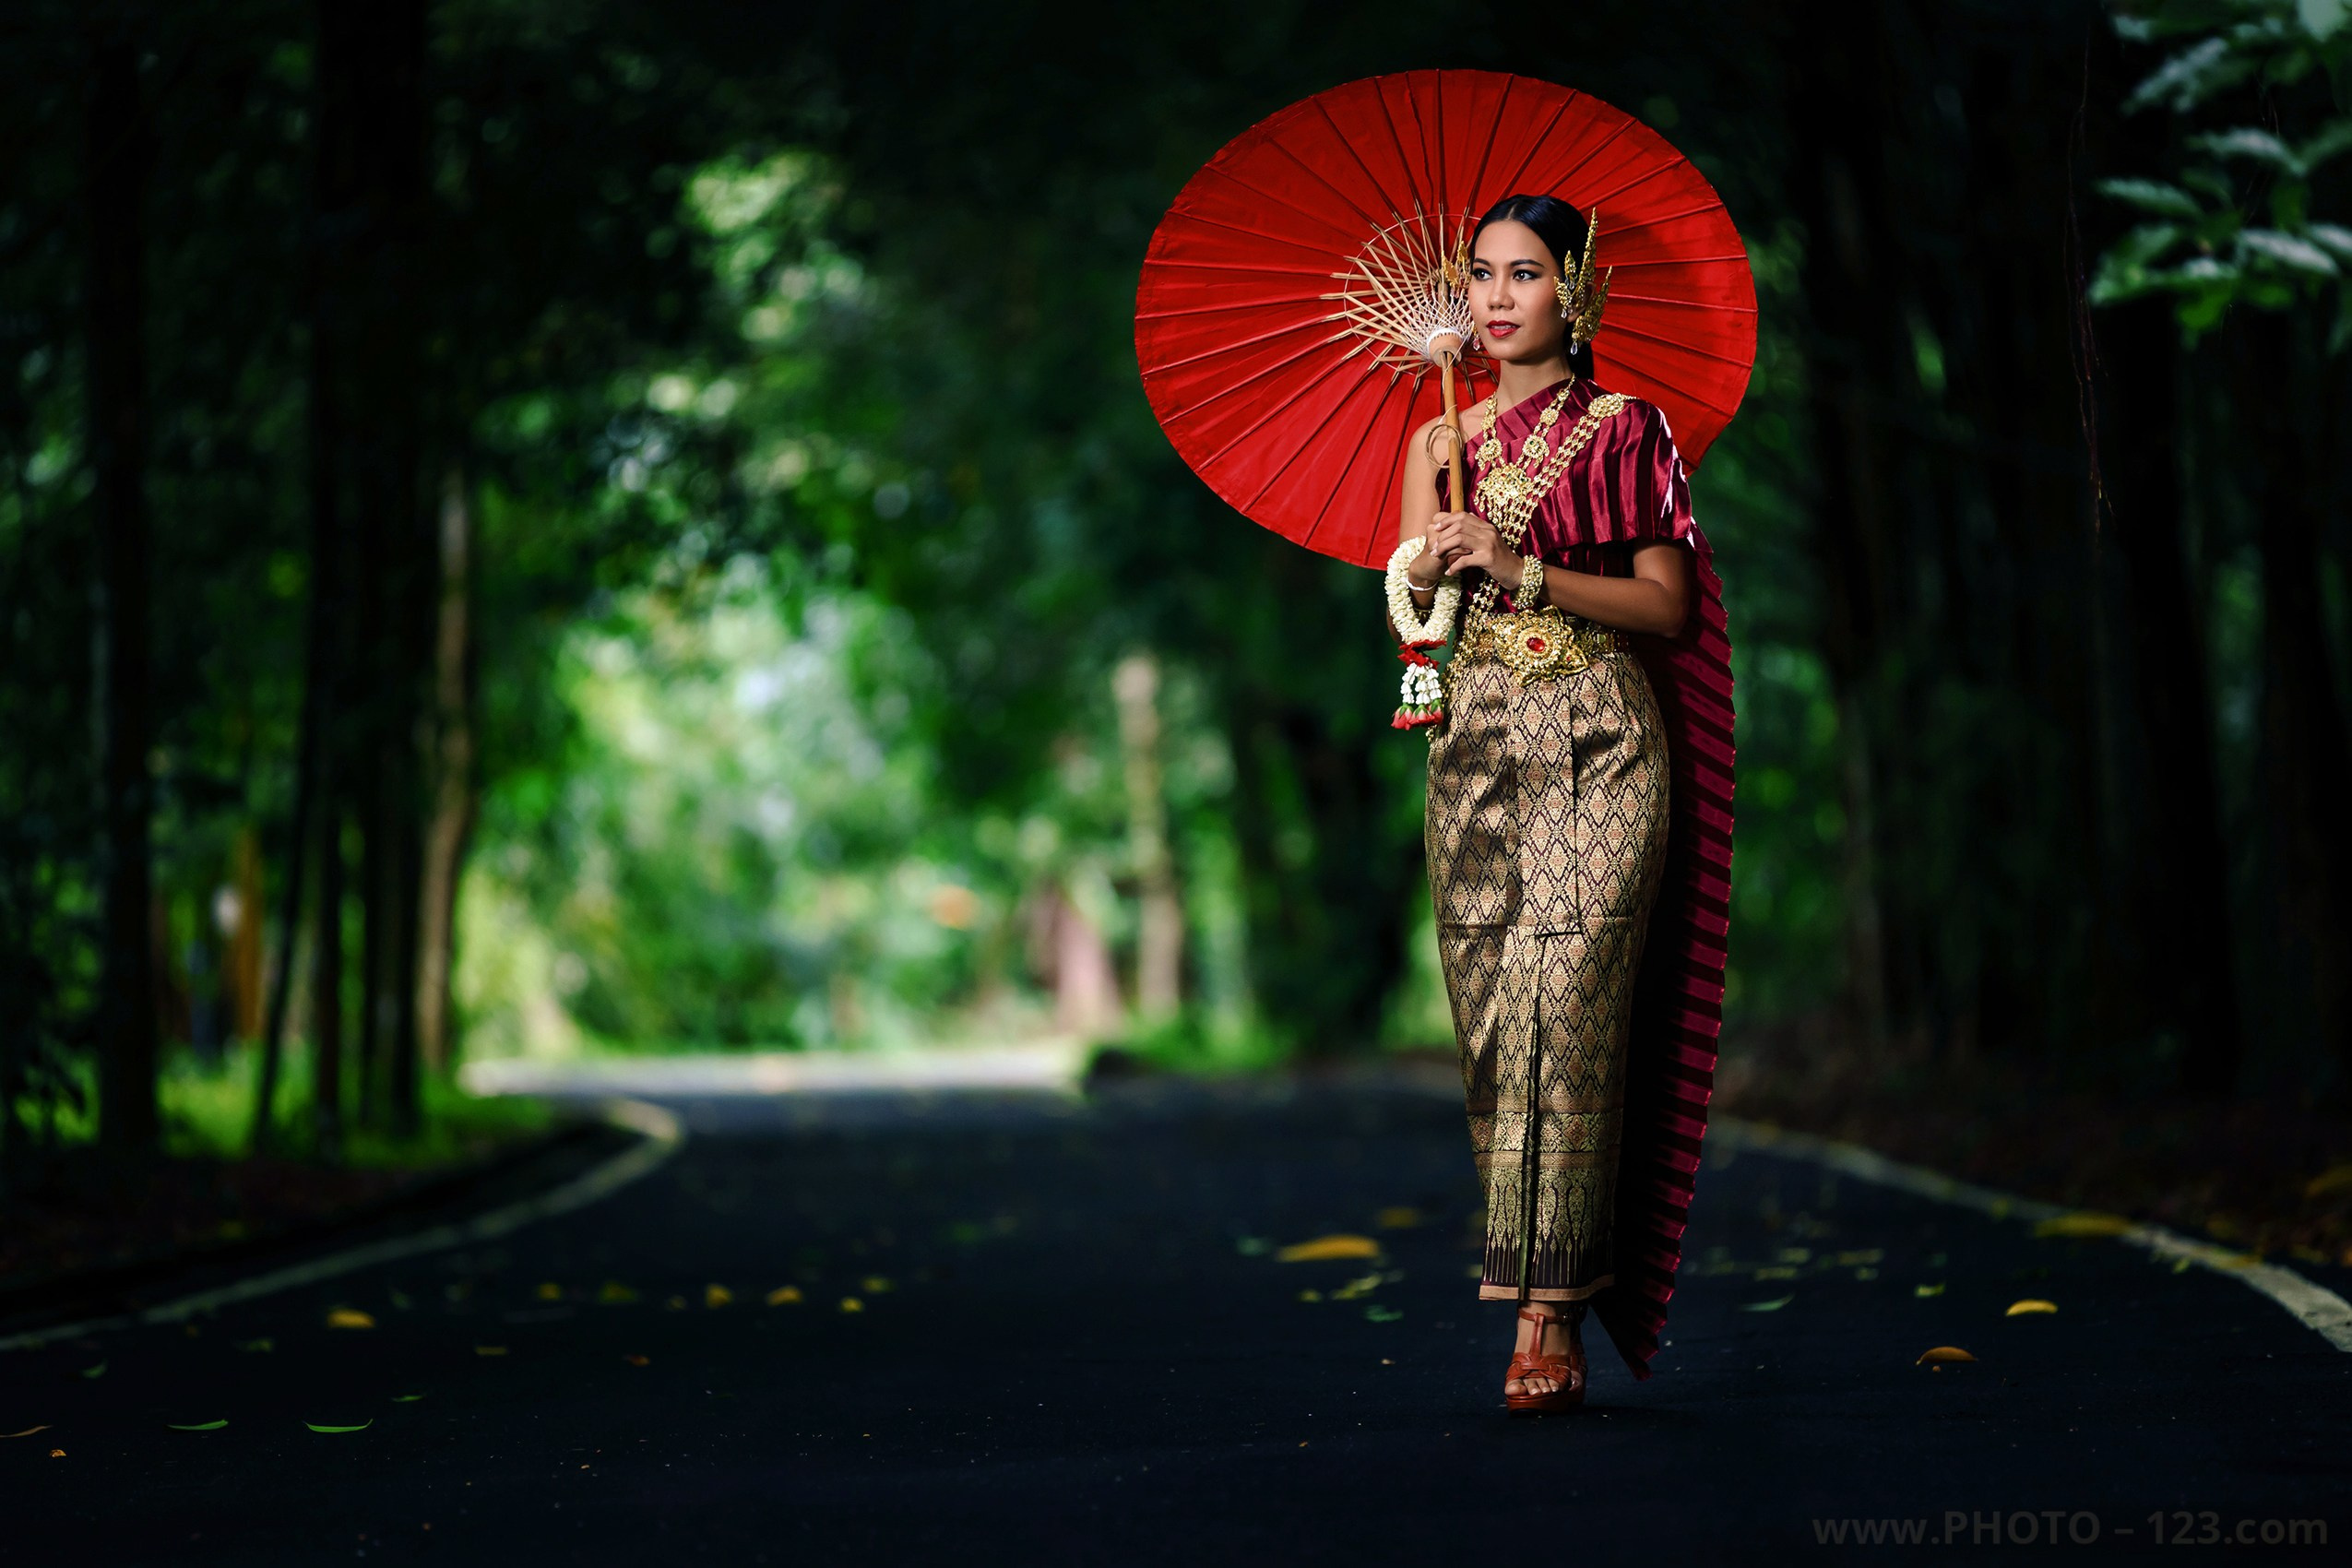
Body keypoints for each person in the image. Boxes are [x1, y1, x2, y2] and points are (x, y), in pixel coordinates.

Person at [1389, 194, 1736, 1413]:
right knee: (1491, 1019)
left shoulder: (1625, 429)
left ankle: (1551, 1317)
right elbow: (1413, 639)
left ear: (1575, 295)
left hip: (1595, 736)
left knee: (1569, 1001)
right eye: (1479, 274)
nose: (1492, 299)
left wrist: (1520, 567)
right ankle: (1521, 1278)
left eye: (1522, 274)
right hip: (1471, 748)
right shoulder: (1435, 441)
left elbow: (1668, 610)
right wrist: (1422, 577)